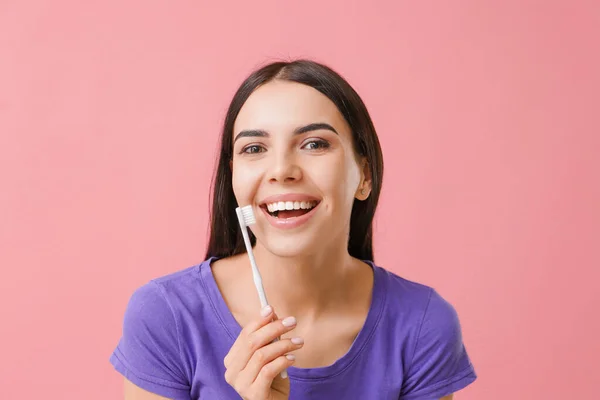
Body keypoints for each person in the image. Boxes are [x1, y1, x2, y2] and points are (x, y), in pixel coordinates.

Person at [109, 59, 477, 400]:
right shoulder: (164, 315)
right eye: (254, 148)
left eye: (314, 144)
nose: (281, 169)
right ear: (233, 174)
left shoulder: (423, 324)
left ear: (364, 175)